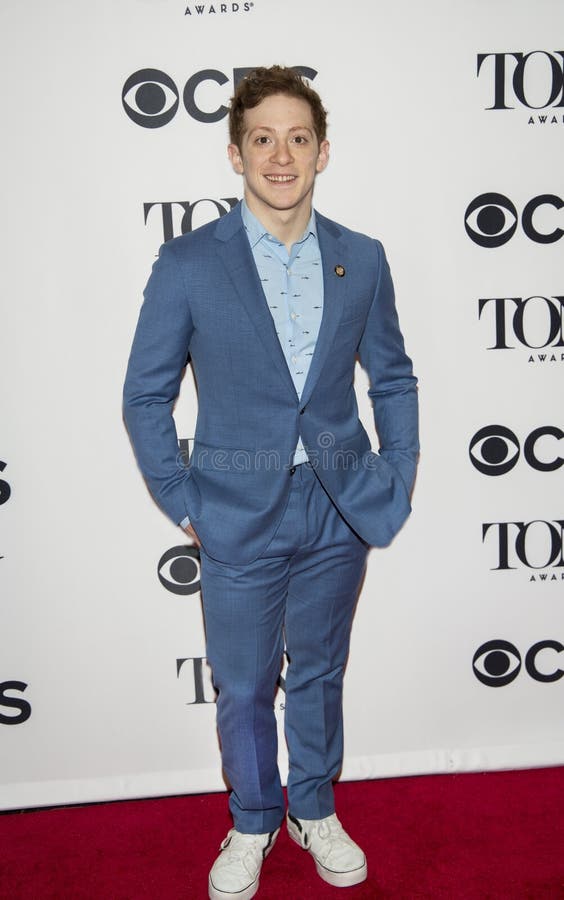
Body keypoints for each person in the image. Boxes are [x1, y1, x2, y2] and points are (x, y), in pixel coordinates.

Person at [123, 65, 419, 900]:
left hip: (337, 505)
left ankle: (313, 808)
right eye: (263, 138)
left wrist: (392, 473)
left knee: (320, 671)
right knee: (247, 682)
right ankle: (253, 818)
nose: (280, 155)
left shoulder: (362, 258)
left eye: (297, 137)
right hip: (235, 509)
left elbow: (392, 378)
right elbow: (146, 392)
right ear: (235, 153)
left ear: (323, 151)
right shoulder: (187, 262)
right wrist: (185, 502)